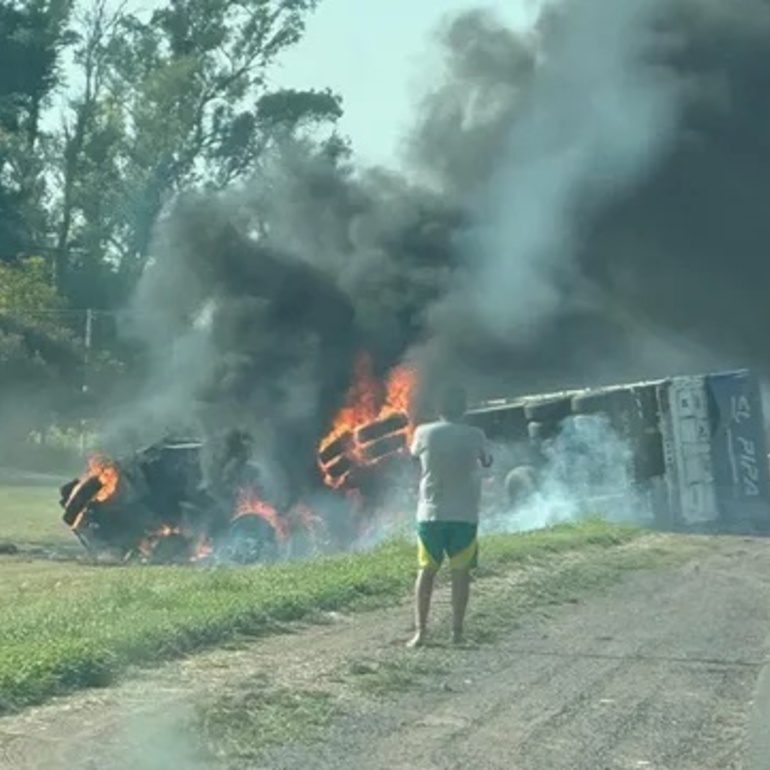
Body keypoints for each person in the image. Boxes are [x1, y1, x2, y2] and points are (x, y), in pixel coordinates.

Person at [407, 385, 492, 648]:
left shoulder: (422, 432)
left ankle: (421, 633)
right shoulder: (475, 434)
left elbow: (413, 457)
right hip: (464, 514)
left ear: (438, 409)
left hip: (431, 513)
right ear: (463, 408)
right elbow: (488, 461)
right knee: (460, 573)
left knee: (426, 571)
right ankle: (457, 632)